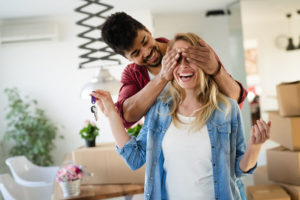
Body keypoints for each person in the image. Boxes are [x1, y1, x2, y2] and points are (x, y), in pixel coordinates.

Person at [91, 33, 271, 200]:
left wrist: (255, 147)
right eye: (177, 59)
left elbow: (238, 170)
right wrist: (111, 114)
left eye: (190, 58)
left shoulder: (227, 108)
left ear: (203, 61)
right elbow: (134, 158)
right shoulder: (159, 111)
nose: (183, 65)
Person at [101, 12, 248, 128]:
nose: (146, 52)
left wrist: (216, 70)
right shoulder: (132, 74)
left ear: (147, 30)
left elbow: (235, 99)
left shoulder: (191, 46)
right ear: (128, 58)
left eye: (145, 41)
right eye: (136, 53)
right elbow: (125, 116)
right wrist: (162, 77)